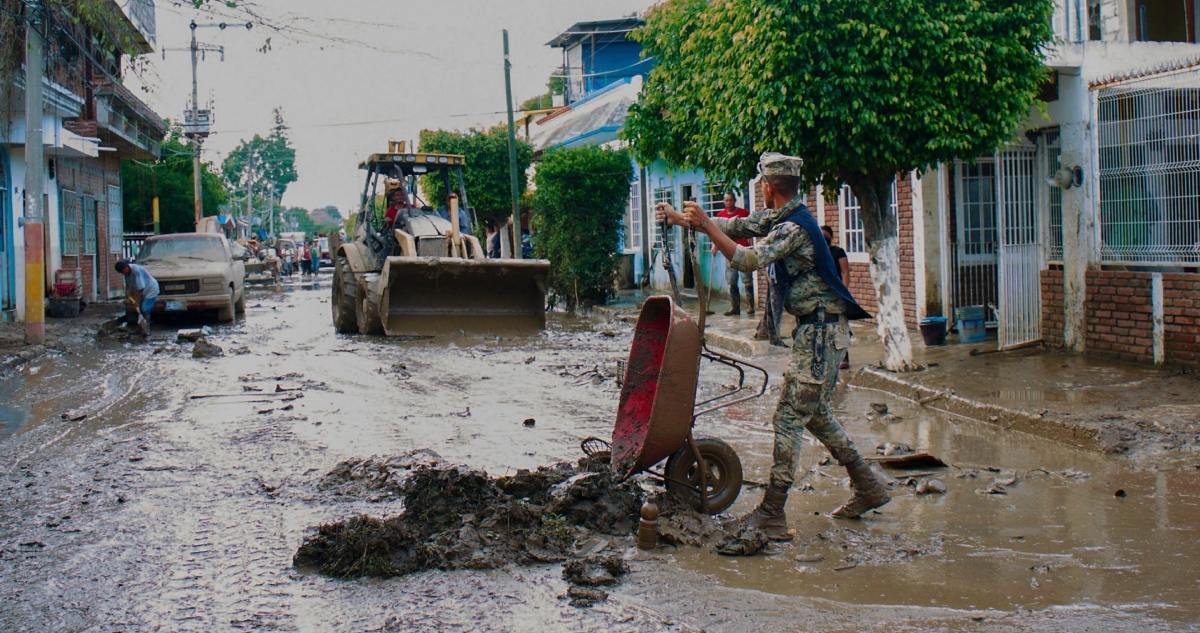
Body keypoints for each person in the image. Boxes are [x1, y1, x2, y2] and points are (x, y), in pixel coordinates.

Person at [656, 152, 889, 540]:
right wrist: (685, 220)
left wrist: (707, 226)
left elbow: (748, 259)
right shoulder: (784, 216)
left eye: (760, 184)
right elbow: (741, 225)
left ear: (768, 187)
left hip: (820, 334)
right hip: (818, 331)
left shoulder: (793, 228)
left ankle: (772, 513)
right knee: (815, 414)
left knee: (788, 417)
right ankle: (868, 486)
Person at [715, 193, 755, 316]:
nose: (729, 203)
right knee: (731, 280)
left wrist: (750, 239)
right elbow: (717, 233)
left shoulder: (743, 213)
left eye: (731, 200)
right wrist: (715, 245)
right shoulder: (720, 216)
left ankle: (751, 306)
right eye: (726, 200)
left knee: (746, 279)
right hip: (728, 251)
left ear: (735, 201)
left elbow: (750, 228)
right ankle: (735, 307)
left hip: (743, 249)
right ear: (724, 201)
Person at [823, 225, 852, 370]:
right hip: (822, 294)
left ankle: (844, 357)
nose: (824, 238)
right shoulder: (816, 252)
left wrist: (844, 291)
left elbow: (845, 272)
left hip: (836, 293)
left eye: (826, 236)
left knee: (839, 326)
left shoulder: (838, 252)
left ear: (831, 237)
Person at [115, 260, 159, 336]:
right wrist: (129, 296)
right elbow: (129, 286)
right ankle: (141, 328)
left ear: (127, 267)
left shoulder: (136, 272)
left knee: (144, 308)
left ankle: (147, 329)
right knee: (140, 309)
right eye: (122, 272)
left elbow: (141, 288)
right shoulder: (126, 274)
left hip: (151, 289)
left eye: (124, 270)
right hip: (142, 290)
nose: (124, 273)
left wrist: (136, 300)